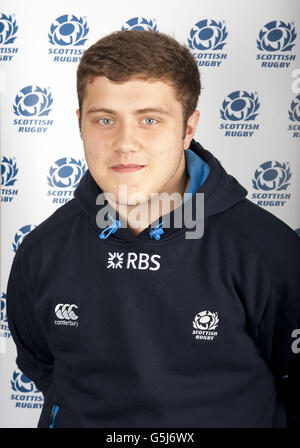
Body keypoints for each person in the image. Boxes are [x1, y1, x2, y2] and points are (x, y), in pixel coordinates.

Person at [6, 29, 300, 428]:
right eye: (105, 119)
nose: (125, 143)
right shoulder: (42, 249)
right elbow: (42, 366)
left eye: (149, 120)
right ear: (80, 124)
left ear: (188, 127)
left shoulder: (269, 252)